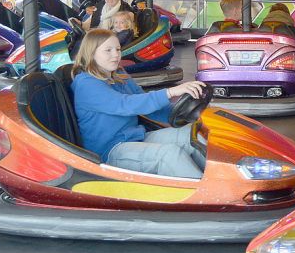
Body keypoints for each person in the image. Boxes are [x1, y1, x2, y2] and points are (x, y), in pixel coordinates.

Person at [71, 29, 207, 178]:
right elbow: (125, 105)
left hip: (135, 136)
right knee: (170, 155)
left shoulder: (119, 75)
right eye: (108, 50)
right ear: (91, 53)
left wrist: (183, 113)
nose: (116, 55)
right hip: (110, 150)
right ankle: (212, 197)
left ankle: (219, 178)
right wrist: (170, 92)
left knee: (191, 134)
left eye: (117, 49)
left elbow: (146, 106)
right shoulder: (86, 83)